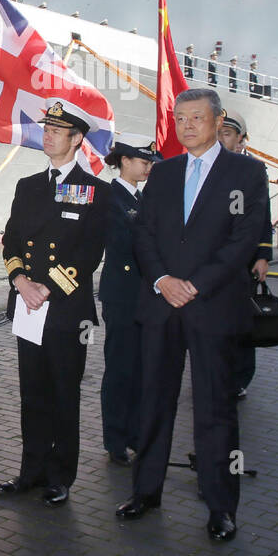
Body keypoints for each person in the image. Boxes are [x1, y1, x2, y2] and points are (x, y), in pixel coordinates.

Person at [116, 89, 268, 542]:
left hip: (213, 306)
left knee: (215, 408)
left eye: (196, 118)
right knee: (154, 401)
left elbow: (243, 239)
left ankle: (221, 506)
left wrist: (195, 284)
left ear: (218, 121)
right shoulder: (163, 173)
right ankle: (146, 492)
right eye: (179, 118)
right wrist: (164, 280)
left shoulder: (248, 172)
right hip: (162, 305)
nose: (186, 126)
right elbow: (142, 233)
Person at [0, 99, 108, 507]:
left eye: (57, 131)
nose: (47, 135)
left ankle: (61, 476)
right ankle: (31, 471)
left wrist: (46, 288)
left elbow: (89, 253)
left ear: (77, 139)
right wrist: (20, 280)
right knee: (32, 393)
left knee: (64, 392)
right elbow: (11, 241)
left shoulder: (95, 191)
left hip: (63, 310)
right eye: (46, 129)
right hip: (28, 306)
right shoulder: (27, 186)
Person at [98, 140, 161, 466]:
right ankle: (116, 439)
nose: (148, 167)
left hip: (145, 296)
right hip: (123, 295)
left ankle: (136, 433)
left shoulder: (142, 197)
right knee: (120, 369)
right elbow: (126, 241)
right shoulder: (111, 198)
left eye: (150, 162)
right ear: (124, 161)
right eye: (142, 161)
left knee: (142, 369)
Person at [217, 109, 273, 398]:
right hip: (212, 259)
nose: (221, 139)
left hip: (243, 261)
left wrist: (263, 255)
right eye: (218, 132)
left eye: (227, 133)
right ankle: (213, 373)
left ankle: (239, 378)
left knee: (241, 320)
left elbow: (263, 213)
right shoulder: (208, 166)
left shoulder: (254, 170)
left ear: (241, 139)